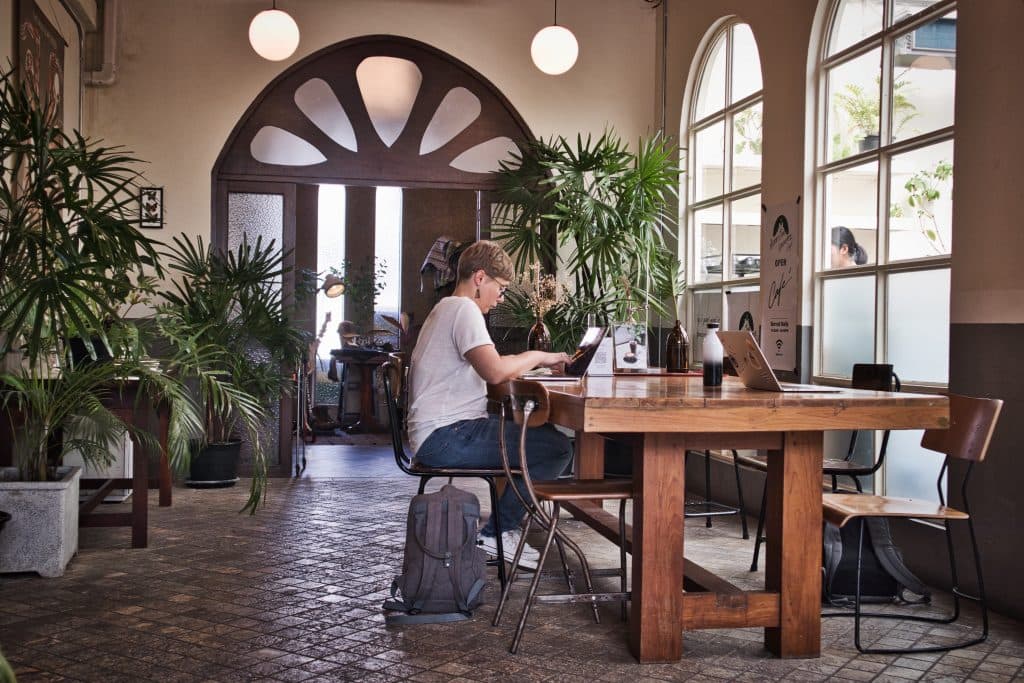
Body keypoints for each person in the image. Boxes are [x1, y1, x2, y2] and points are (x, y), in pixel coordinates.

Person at [407, 240, 573, 570]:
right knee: (555, 448)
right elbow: (495, 371)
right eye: (500, 288)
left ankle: (502, 527)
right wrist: (539, 355)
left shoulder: (447, 307)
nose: (500, 297)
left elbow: (492, 360)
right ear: (480, 278)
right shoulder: (464, 310)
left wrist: (536, 361)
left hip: (438, 434)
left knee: (542, 442)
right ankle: (499, 531)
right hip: (445, 437)